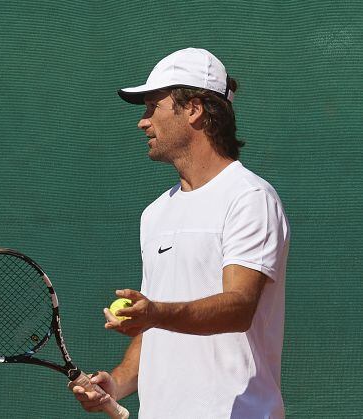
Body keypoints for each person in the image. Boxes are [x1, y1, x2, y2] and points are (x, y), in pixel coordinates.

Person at [70, 48, 290, 418]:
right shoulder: (155, 213)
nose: (143, 121)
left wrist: (155, 313)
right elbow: (153, 326)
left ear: (194, 109)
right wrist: (118, 382)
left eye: (152, 105)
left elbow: (238, 308)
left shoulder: (249, 197)